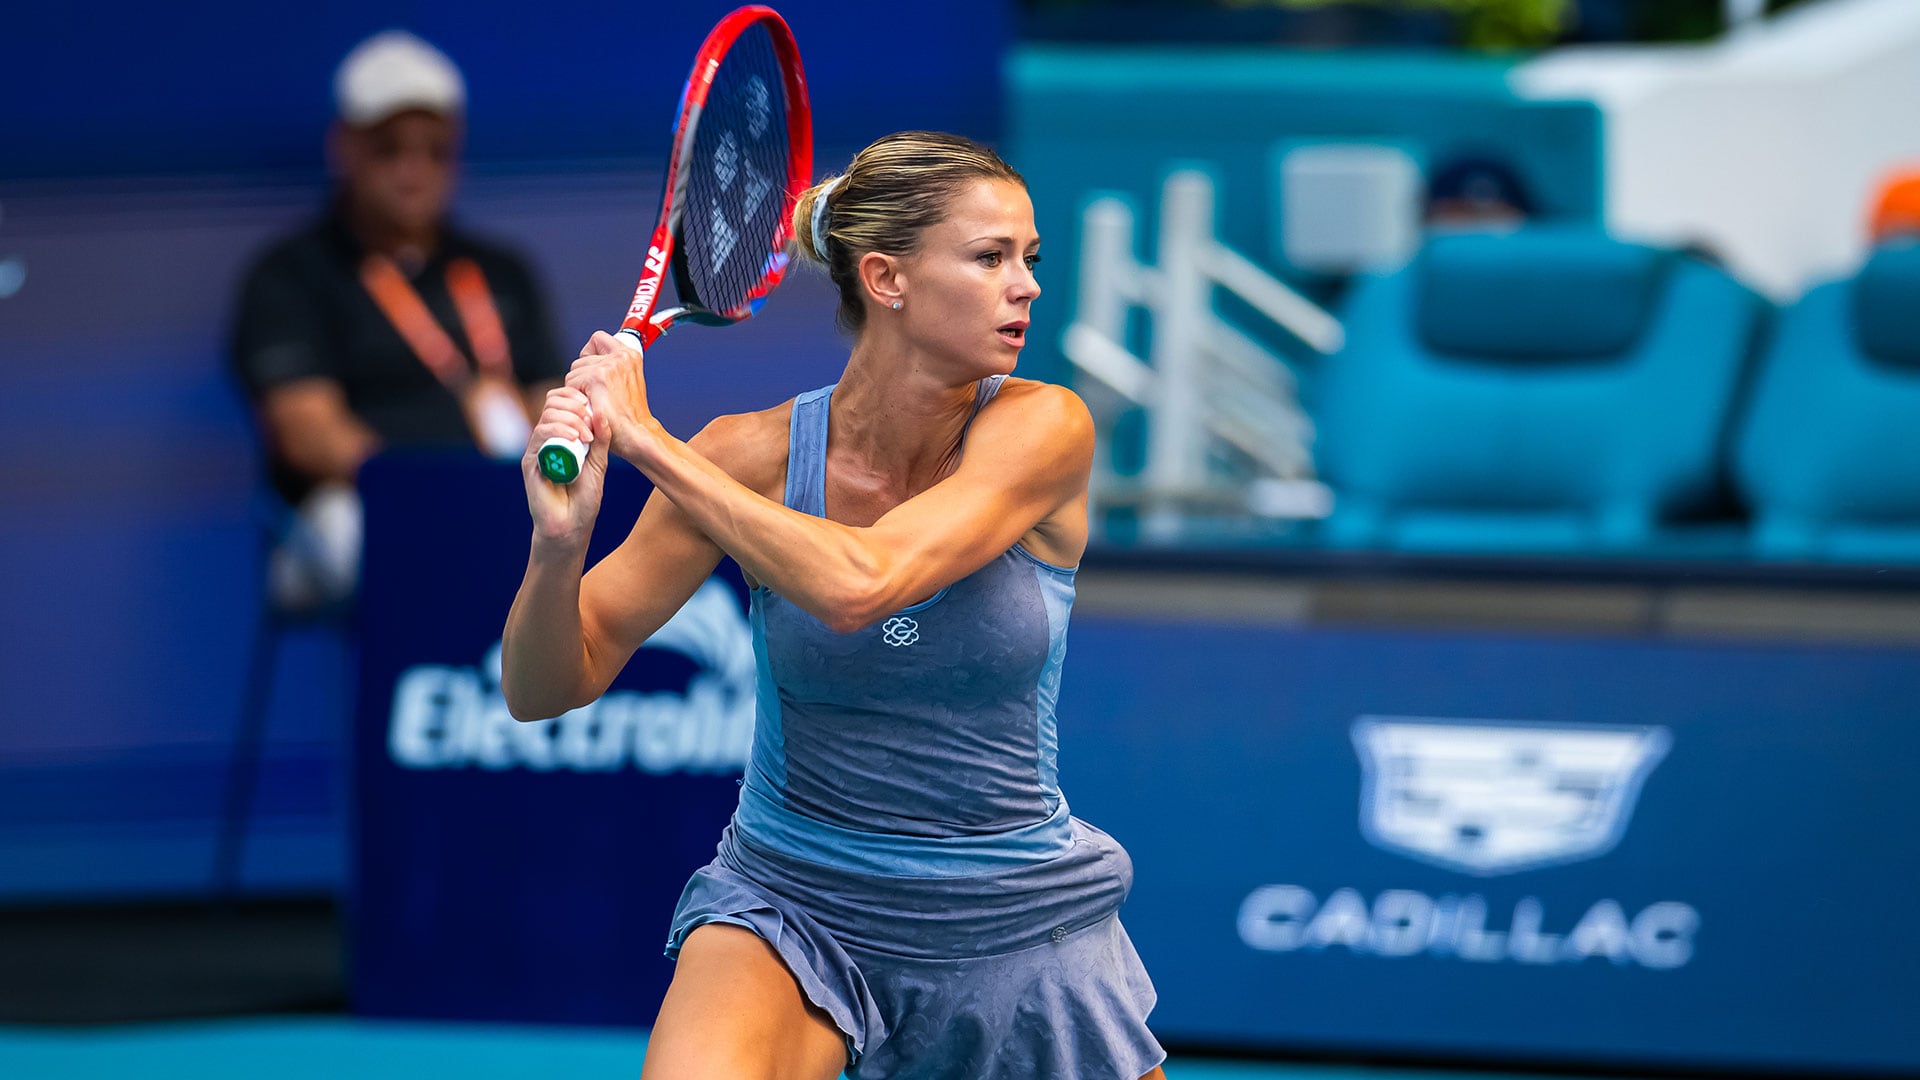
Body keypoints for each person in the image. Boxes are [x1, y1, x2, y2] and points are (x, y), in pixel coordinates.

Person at [501, 131, 1168, 1080]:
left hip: (1015, 918)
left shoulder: (1043, 428)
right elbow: (543, 686)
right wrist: (558, 549)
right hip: (794, 901)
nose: (1026, 286)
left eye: (1030, 260)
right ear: (886, 278)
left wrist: (650, 445)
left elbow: (863, 585)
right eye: (989, 258)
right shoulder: (747, 459)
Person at [229, 30, 564, 609]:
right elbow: (307, 433)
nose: (413, 170)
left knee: (600, 529)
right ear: (344, 149)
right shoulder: (292, 275)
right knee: (361, 539)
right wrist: (434, 498)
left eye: (435, 150)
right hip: (367, 503)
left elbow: (548, 403)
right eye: (389, 149)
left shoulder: (502, 269)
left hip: (509, 494)